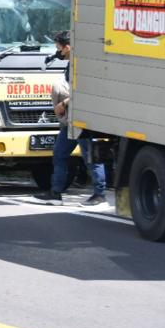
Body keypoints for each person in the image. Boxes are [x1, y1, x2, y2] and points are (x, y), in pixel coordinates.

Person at [34, 31, 107, 206]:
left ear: (67, 47)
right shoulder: (71, 63)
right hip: (71, 120)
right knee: (59, 154)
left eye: (59, 48)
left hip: (84, 118)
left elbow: (84, 90)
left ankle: (100, 195)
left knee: (91, 157)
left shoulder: (81, 64)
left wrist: (63, 104)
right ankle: (55, 193)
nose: (57, 51)